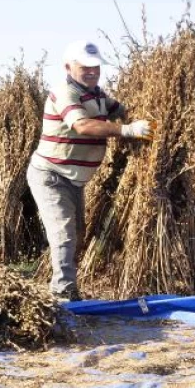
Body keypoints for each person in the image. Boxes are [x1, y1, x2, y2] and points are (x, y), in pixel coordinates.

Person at [27, 40, 153, 302]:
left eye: (96, 67)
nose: (93, 72)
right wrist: (127, 130)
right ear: (68, 67)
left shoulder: (97, 94)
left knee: (78, 234)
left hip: (74, 180)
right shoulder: (65, 93)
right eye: (85, 67)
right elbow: (82, 125)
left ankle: (65, 285)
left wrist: (149, 110)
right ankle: (63, 296)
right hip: (51, 175)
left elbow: (120, 109)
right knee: (64, 233)